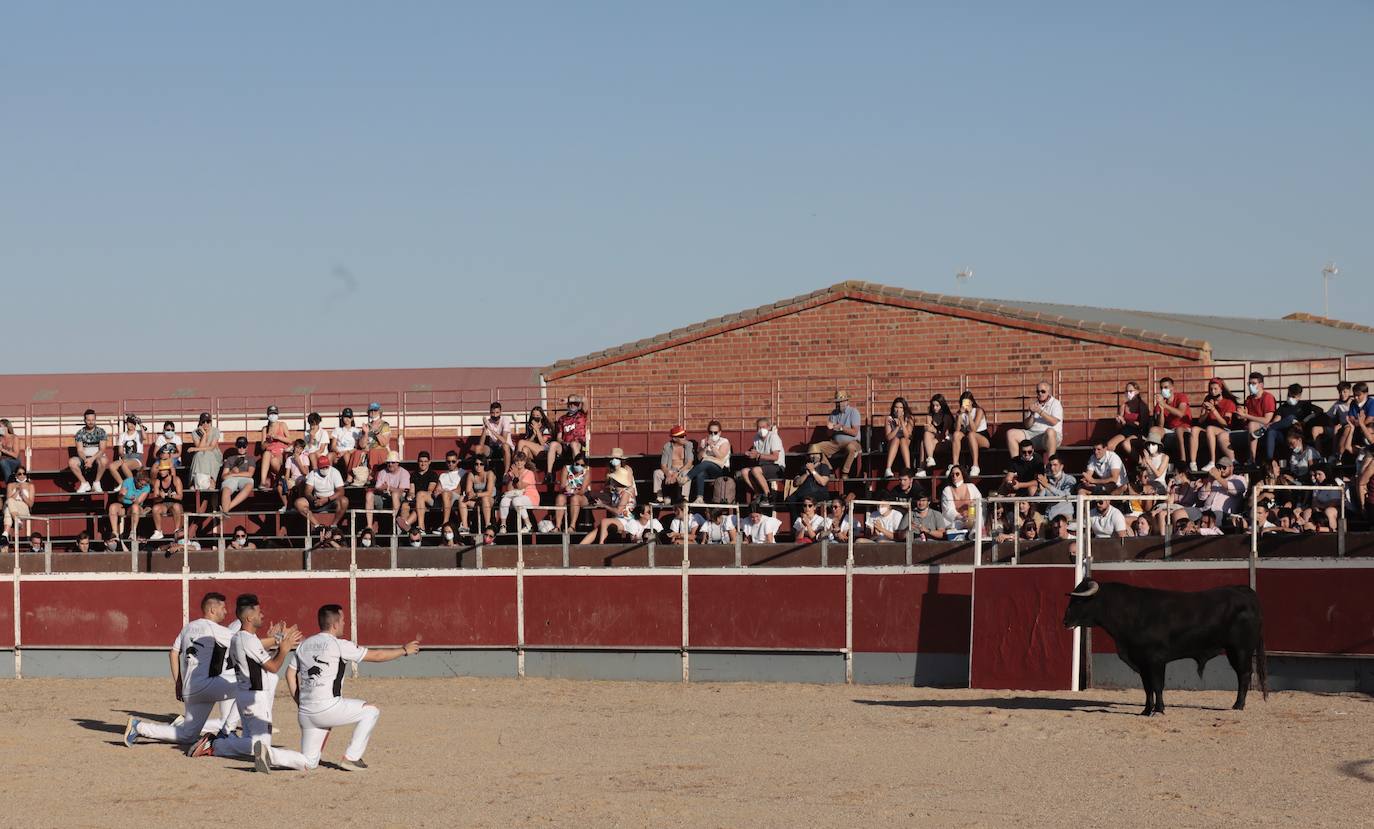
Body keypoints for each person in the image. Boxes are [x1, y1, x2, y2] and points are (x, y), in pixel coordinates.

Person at [285, 604, 420, 772]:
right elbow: (377, 656)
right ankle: (351, 757)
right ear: (334, 624)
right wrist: (403, 650)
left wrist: (300, 702)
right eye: (342, 620)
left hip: (306, 713)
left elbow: (289, 674)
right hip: (329, 708)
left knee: (309, 762)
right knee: (371, 710)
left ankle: (270, 753)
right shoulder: (339, 645)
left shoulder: (304, 645)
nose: (344, 623)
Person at [124, 592, 240, 749]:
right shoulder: (214, 629)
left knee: (187, 735)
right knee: (248, 686)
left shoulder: (189, 627)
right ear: (212, 609)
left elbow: (173, 652)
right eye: (223, 608)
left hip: (190, 689)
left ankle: (138, 727)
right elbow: (243, 643)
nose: (226, 611)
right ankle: (227, 731)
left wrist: (178, 682)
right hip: (206, 685)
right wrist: (277, 640)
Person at [205, 594, 308, 772]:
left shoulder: (238, 637)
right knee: (262, 746)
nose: (262, 615)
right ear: (249, 617)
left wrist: (278, 638)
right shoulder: (249, 640)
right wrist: (284, 648)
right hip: (256, 698)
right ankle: (218, 745)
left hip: (244, 695)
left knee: (254, 742)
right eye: (259, 612)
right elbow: (274, 667)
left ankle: (218, 744)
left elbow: (258, 650)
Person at [1191, 378, 1240, 472]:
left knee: (1210, 428)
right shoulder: (1207, 399)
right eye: (1211, 389)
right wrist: (1207, 412)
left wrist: (1214, 410)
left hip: (1224, 429)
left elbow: (1225, 423)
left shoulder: (1228, 402)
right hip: (1209, 429)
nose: (1212, 392)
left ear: (1221, 389)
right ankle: (1193, 463)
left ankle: (1212, 461)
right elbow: (1200, 421)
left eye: (1215, 389)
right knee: (1195, 429)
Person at [1005, 382, 1062, 460]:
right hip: (1033, 435)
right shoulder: (1034, 404)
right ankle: (1016, 465)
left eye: (1043, 391)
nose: (1040, 394)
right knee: (1011, 433)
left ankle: (1050, 463)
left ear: (1048, 392)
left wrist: (1039, 411)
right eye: (1038, 391)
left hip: (1050, 437)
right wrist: (1032, 414)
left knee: (1050, 432)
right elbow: (1027, 426)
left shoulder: (1056, 403)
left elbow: (1054, 422)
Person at [1267, 384, 1323, 463]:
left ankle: (1267, 428)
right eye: (1288, 395)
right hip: (1286, 435)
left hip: (1300, 433)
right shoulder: (1283, 407)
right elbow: (1277, 419)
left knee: (1291, 418)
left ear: (1299, 396)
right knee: (1272, 431)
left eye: (1293, 396)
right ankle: (1269, 460)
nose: (1290, 398)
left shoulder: (1305, 405)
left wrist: (1306, 420)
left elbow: (1320, 410)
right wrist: (1272, 424)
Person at [812, 391, 861, 479]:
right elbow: (829, 435)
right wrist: (830, 429)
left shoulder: (854, 412)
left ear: (847, 401)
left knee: (851, 448)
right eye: (837, 402)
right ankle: (830, 471)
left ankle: (845, 473)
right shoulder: (834, 413)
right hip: (836, 443)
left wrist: (841, 427)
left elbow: (855, 432)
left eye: (841, 401)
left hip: (852, 442)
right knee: (815, 447)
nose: (839, 404)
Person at [295, 455, 350, 532]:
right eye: (322, 468)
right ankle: (317, 525)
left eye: (326, 467)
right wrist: (314, 500)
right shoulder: (313, 473)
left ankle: (334, 525)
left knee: (344, 501)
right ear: (318, 467)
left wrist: (327, 499)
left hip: (331, 500)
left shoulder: (335, 472)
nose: (324, 469)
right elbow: (307, 492)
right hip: (317, 500)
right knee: (299, 503)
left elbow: (341, 491)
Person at [1235, 372, 1277, 465]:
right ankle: (1233, 462)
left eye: (1253, 383)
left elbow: (1267, 420)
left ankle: (1252, 458)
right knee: (1223, 437)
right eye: (1249, 383)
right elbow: (1246, 419)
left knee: (1252, 424)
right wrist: (1241, 415)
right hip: (1248, 429)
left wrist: (1246, 416)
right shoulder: (1249, 399)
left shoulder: (1268, 397)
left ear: (1261, 385)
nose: (1250, 386)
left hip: (1264, 429)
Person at [1149, 377, 1192, 466]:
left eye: (1166, 387)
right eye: (1161, 388)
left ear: (1172, 388)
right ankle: (1154, 459)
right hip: (1170, 429)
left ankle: (1183, 460)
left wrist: (1165, 405)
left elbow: (1181, 413)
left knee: (1179, 430)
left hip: (1184, 428)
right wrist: (1161, 409)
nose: (1163, 390)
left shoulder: (1181, 397)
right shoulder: (1160, 403)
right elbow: (1160, 425)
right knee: (1154, 430)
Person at [739, 418, 784, 502]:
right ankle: (759, 493)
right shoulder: (756, 437)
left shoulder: (773, 437)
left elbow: (775, 457)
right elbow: (756, 454)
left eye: (763, 427)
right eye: (758, 427)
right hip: (762, 466)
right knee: (744, 471)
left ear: (769, 427)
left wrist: (758, 455)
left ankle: (768, 495)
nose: (760, 430)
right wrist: (750, 454)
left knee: (755, 470)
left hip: (777, 467)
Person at [685, 421, 731, 503]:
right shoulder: (704, 441)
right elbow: (699, 458)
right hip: (705, 469)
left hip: (719, 468)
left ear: (720, 432)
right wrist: (705, 447)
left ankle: (687, 477)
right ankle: (699, 498)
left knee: (706, 463)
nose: (713, 434)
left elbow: (720, 456)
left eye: (715, 432)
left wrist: (712, 446)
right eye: (710, 432)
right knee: (700, 472)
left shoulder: (724, 442)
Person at [68, 409, 109, 493]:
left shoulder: (101, 432)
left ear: (95, 420)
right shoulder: (80, 433)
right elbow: (79, 450)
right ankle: (84, 483)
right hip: (85, 459)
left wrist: (92, 459)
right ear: (85, 420)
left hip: (97, 458)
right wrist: (86, 460)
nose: (91, 422)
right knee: (71, 462)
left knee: (104, 460)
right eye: (88, 420)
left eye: (93, 420)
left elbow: (102, 450)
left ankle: (96, 483)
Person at [950, 391, 990, 477]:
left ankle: (975, 465)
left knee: (971, 434)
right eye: (963, 402)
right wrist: (959, 416)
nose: (965, 405)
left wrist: (969, 415)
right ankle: (954, 464)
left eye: (967, 402)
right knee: (956, 434)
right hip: (969, 437)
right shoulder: (960, 413)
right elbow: (957, 429)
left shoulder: (979, 411)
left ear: (971, 402)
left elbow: (974, 429)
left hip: (982, 437)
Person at [1106, 381, 1151, 457]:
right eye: (1126, 391)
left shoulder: (1142, 406)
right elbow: (1118, 427)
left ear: (1137, 392)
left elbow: (1142, 425)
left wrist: (1126, 422)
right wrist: (1119, 422)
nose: (1128, 393)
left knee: (1125, 444)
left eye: (1130, 391)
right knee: (1109, 445)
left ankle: (1140, 462)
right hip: (1125, 431)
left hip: (1138, 432)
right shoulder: (1123, 406)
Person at [370, 451, 412, 533]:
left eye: (393, 462)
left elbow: (400, 491)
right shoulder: (382, 472)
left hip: (399, 499)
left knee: (395, 494)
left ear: (397, 463)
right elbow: (377, 487)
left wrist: (387, 487)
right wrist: (385, 488)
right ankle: (368, 525)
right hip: (384, 497)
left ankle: (393, 522)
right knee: (369, 495)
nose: (390, 464)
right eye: (388, 462)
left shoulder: (404, 473)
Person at [497, 453, 538, 534]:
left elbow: (520, 487)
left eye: (521, 460)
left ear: (525, 462)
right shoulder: (512, 473)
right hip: (516, 496)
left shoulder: (529, 473)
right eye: (517, 461)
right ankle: (503, 525)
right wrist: (512, 477)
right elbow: (509, 489)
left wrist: (516, 476)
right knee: (504, 500)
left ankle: (528, 525)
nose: (519, 463)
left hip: (530, 497)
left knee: (516, 501)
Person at [653, 426, 694, 505]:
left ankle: (685, 498)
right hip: (671, 470)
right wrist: (668, 474)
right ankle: (659, 497)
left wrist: (677, 473)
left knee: (686, 473)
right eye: (682, 436)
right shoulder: (667, 446)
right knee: (657, 473)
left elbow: (689, 463)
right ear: (675, 438)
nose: (684, 438)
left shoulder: (689, 445)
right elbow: (663, 465)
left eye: (685, 436)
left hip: (683, 469)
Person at [108, 468, 151, 544]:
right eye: (141, 484)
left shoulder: (146, 487)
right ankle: (114, 533)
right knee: (112, 507)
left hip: (137, 507)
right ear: (136, 480)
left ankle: (133, 532)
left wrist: (135, 500)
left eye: (144, 484)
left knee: (135, 507)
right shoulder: (128, 481)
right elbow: (120, 499)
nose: (142, 486)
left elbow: (138, 502)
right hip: (124, 506)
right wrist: (121, 495)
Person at [548, 395, 588, 475]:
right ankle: (549, 473)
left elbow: (584, 399)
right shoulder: (562, 419)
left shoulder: (582, 414)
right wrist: (563, 442)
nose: (572, 405)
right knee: (553, 444)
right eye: (570, 403)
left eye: (574, 403)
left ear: (578, 405)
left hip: (579, 445)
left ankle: (579, 471)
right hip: (565, 445)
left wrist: (567, 399)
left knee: (573, 444)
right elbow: (559, 437)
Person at [917, 395, 955, 477]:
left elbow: (944, 435)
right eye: (933, 405)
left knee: (924, 443)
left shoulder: (946, 417)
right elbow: (929, 432)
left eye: (937, 405)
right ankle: (930, 458)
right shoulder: (929, 416)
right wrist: (929, 429)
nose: (935, 408)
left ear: (942, 405)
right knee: (926, 435)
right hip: (934, 440)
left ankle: (922, 468)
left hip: (946, 441)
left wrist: (934, 430)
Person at [1312, 382, 1353, 456]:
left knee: (1344, 430)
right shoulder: (1337, 404)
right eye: (1340, 392)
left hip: (1349, 426)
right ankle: (1319, 456)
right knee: (1315, 429)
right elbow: (1329, 417)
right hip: (1340, 426)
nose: (1342, 394)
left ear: (1349, 391)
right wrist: (1333, 425)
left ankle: (1338, 455)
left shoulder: (1353, 403)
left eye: (1345, 391)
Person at [149, 455, 184, 541]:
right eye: (160, 470)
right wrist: (160, 497)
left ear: (168, 470)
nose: (161, 472)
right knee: (155, 508)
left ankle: (177, 530)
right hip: (163, 504)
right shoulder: (158, 481)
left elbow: (180, 496)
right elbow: (155, 499)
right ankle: (158, 531)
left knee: (176, 506)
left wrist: (171, 495)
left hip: (175, 503)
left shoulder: (176, 479)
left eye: (163, 470)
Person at [257, 405, 292, 490]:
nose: (273, 416)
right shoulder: (265, 429)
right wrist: (268, 441)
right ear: (268, 415)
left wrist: (277, 437)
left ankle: (277, 478)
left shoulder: (282, 425)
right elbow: (262, 447)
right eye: (271, 414)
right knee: (266, 453)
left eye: (274, 413)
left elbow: (290, 440)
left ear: (277, 414)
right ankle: (263, 482)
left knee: (272, 458)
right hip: (270, 456)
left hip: (281, 457)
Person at [219, 436, 257, 514]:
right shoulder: (230, 459)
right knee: (226, 489)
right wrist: (232, 472)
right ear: (236, 446)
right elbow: (223, 476)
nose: (242, 448)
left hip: (243, 478)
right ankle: (226, 510)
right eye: (239, 446)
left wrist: (235, 474)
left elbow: (250, 474)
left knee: (249, 485)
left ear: (247, 447)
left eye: (244, 446)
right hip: (232, 478)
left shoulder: (250, 458)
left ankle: (226, 509)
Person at [406, 451, 441, 534]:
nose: (423, 464)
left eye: (425, 461)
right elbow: (412, 491)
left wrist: (418, 496)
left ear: (429, 462)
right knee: (405, 505)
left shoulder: (433, 474)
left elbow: (430, 490)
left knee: (420, 495)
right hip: (418, 502)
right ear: (418, 462)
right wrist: (410, 495)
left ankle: (421, 527)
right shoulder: (413, 475)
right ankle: (405, 526)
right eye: (421, 461)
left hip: (430, 499)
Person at [187, 412, 223, 492]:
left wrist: (194, 449)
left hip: (214, 454)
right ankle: (194, 480)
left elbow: (212, 448)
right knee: (199, 455)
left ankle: (212, 481)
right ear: (200, 422)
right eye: (203, 421)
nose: (206, 424)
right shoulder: (195, 432)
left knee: (208, 454)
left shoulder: (215, 431)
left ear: (211, 422)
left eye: (208, 421)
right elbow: (200, 448)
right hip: (201, 455)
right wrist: (204, 435)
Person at [554, 453, 589, 533]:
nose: (579, 466)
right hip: (567, 493)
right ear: (574, 462)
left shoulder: (586, 472)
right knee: (560, 497)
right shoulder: (567, 468)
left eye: (582, 465)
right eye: (577, 464)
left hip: (581, 496)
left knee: (574, 498)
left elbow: (583, 491)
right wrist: (566, 488)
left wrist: (574, 491)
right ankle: (557, 526)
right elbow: (562, 486)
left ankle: (572, 526)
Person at [884, 396, 918, 478]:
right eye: (896, 407)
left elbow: (908, 436)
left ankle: (908, 468)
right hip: (892, 444)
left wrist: (902, 422)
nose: (898, 410)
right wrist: (897, 427)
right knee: (896, 439)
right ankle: (888, 469)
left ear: (904, 409)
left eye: (900, 407)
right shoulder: (889, 419)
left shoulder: (909, 418)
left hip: (905, 444)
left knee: (902, 439)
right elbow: (888, 437)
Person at [940, 466, 981, 532]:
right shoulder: (947, 490)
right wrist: (961, 518)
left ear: (963, 475)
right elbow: (948, 510)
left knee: (978, 522)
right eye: (952, 474)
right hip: (955, 522)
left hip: (972, 519)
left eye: (957, 474)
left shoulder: (971, 487)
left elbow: (980, 504)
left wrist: (970, 516)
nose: (954, 476)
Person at [107, 414, 146, 485]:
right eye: (129, 422)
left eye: (133, 423)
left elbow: (145, 437)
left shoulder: (139, 433)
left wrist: (140, 424)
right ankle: (122, 484)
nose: (131, 425)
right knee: (111, 466)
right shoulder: (122, 435)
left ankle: (131, 486)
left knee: (124, 465)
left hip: (137, 458)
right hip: (125, 457)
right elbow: (120, 451)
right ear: (126, 423)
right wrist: (123, 457)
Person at [477, 401, 516, 472]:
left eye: (497, 412)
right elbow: (481, 444)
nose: (495, 415)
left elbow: (504, 440)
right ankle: (482, 472)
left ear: (501, 412)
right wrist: (485, 428)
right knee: (478, 448)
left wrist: (491, 430)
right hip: (494, 448)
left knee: (505, 446)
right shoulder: (488, 421)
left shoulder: (505, 420)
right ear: (490, 413)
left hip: (505, 449)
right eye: (492, 413)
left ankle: (506, 473)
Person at [331, 407, 367, 482]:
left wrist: (345, 452)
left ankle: (349, 476)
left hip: (350, 452)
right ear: (342, 418)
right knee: (329, 456)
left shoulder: (356, 431)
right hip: (338, 452)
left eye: (349, 417)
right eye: (345, 417)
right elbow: (333, 445)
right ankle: (329, 477)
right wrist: (338, 452)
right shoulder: (337, 429)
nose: (347, 419)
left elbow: (357, 447)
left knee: (346, 455)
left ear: (352, 418)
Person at [1037, 454, 1078, 521]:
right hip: (1049, 517)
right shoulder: (1047, 480)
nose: (1052, 468)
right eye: (1050, 465)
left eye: (1055, 465)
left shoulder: (1070, 479)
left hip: (1065, 517)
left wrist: (1047, 485)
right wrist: (1041, 488)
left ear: (1061, 466)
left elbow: (1065, 495)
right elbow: (1039, 500)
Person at [462, 455, 496, 532]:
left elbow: (489, 492)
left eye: (481, 464)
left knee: (484, 498)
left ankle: (487, 525)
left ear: (485, 465)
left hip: (489, 499)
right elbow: (468, 491)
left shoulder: (489, 473)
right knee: (461, 499)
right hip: (477, 500)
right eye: (476, 464)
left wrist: (476, 494)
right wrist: (470, 494)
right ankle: (465, 526)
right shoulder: (471, 475)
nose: (478, 466)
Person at [435, 451, 468, 532]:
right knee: (421, 494)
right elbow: (437, 489)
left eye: (453, 461)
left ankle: (445, 523)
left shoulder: (462, 472)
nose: (451, 464)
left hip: (455, 496)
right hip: (443, 497)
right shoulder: (443, 475)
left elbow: (459, 489)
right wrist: (438, 492)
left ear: (457, 461)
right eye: (448, 461)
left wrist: (445, 491)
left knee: (446, 493)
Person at [515, 406, 553, 473]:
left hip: (545, 450)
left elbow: (542, 443)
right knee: (525, 449)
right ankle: (523, 470)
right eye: (533, 415)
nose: (535, 417)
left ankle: (515, 462)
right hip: (533, 450)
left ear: (541, 416)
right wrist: (534, 435)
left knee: (521, 442)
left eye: (537, 415)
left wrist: (537, 430)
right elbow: (527, 442)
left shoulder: (546, 426)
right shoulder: (529, 426)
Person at [3, 466, 35, 542]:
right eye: (19, 474)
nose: (22, 476)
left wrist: (23, 495)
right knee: (8, 506)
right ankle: (8, 531)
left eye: (24, 474)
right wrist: (17, 491)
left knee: (8, 507)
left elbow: (31, 504)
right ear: (16, 475)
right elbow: (8, 500)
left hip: (23, 508)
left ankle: (5, 534)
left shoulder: (30, 486)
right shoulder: (10, 485)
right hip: (12, 507)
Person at [364, 402, 395, 473]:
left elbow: (384, 443)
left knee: (374, 452)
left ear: (380, 412)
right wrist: (365, 434)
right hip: (368, 451)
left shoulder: (385, 425)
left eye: (375, 410)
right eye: (371, 410)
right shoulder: (366, 426)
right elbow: (362, 445)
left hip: (381, 450)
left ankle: (372, 474)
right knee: (358, 453)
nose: (373, 412)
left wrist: (376, 432)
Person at [0, 418, 20, 483]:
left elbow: (16, 455)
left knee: (3, 462)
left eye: (0, 426)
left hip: (14, 461)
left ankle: (10, 486)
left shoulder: (14, 437)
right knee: (3, 462)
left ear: (6, 427)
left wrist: (3, 450)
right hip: (2, 461)